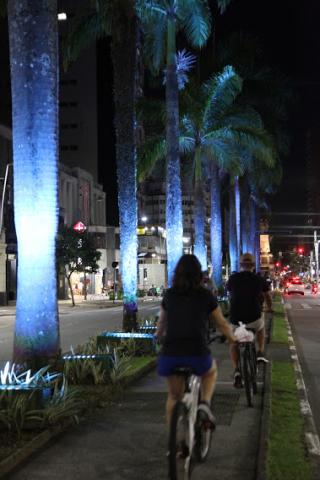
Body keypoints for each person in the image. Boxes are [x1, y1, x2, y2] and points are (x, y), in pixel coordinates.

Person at [156, 254, 236, 426]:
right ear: (199, 275)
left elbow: (161, 323)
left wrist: (158, 336)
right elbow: (221, 323)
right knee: (211, 371)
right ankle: (205, 404)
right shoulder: (205, 296)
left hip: (170, 354)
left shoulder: (169, 295)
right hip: (197, 352)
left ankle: (175, 447)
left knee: (173, 397)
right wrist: (231, 338)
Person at [227, 253, 272, 388]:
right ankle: (260, 352)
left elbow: (230, 293)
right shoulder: (259, 280)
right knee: (261, 325)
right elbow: (268, 297)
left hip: (236, 319)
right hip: (254, 317)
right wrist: (269, 308)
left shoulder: (233, 279)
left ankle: (236, 371)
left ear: (240, 265)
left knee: (233, 343)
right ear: (253, 265)